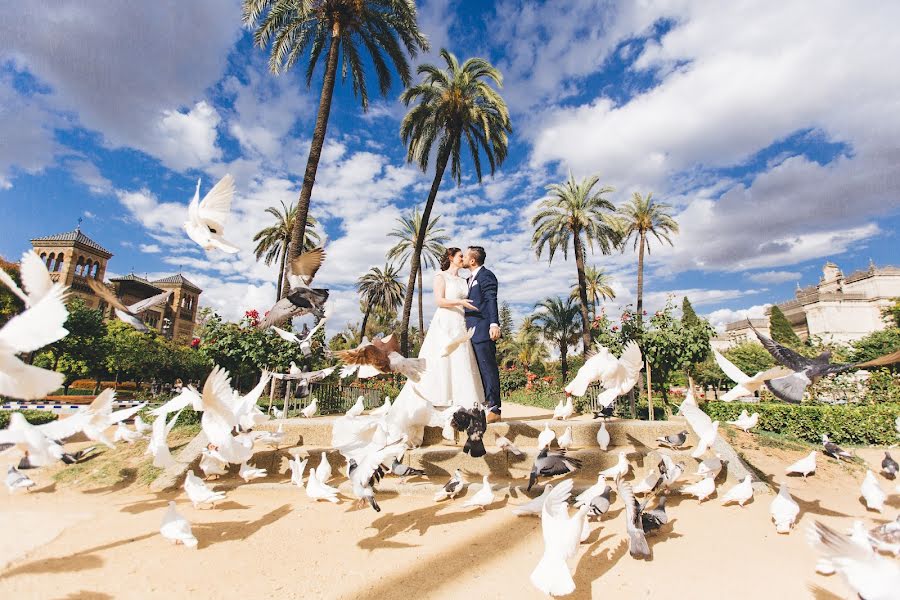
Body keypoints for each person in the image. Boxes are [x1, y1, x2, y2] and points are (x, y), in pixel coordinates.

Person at [386, 247, 486, 446]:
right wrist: (460, 302)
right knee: (439, 361)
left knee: (460, 362)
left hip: (459, 322)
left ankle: (457, 403)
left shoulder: (463, 280)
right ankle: (438, 401)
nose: (463, 259)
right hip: (445, 322)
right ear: (451, 258)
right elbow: (439, 301)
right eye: (460, 256)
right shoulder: (441, 276)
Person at [462, 246, 502, 422]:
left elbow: (491, 299)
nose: (462, 257)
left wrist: (494, 323)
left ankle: (495, 408)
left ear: (472, 261)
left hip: (483, 330)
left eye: (465, 255)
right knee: (476, 370)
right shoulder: (468, 280)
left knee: (488, 368)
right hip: (469, 332)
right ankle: (483, 405)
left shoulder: (486, 276)